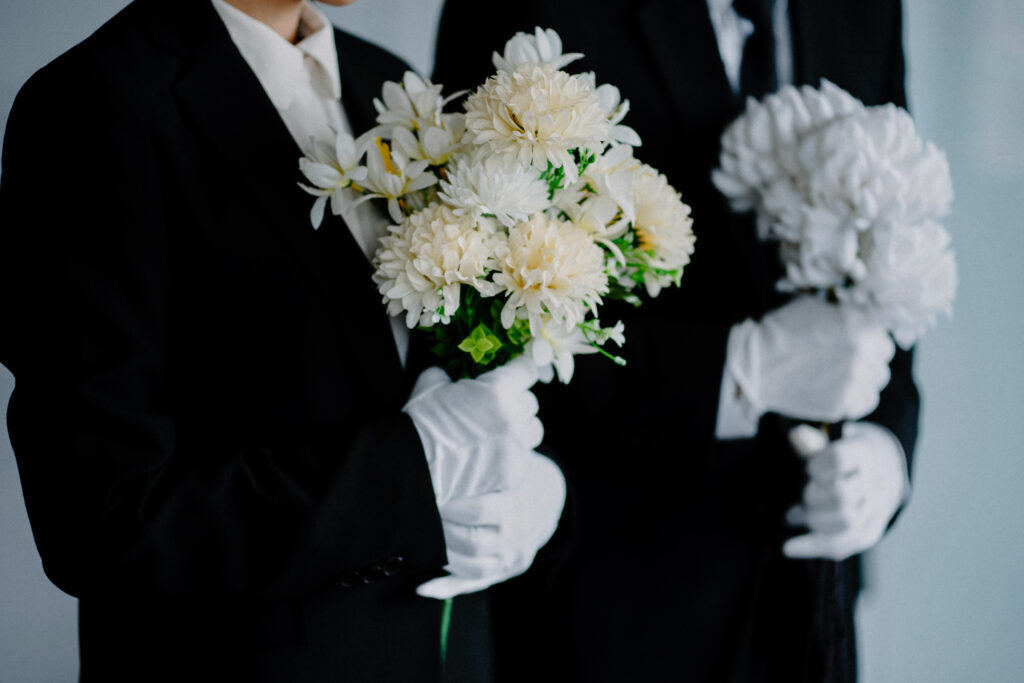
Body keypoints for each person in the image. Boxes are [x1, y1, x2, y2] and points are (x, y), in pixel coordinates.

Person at [0, 0, 567, 680]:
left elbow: (449, 360)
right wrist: (409, 466)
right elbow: (103, 520)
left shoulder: (391, 82)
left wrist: (535, 486)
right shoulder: (97, 101)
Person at [433, 0, 918, 681]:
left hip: (810, 603)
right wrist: (734, 372)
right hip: (612, 602)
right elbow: (471, 306)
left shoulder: (866, 14)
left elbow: (899, 250)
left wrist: (887, 451)